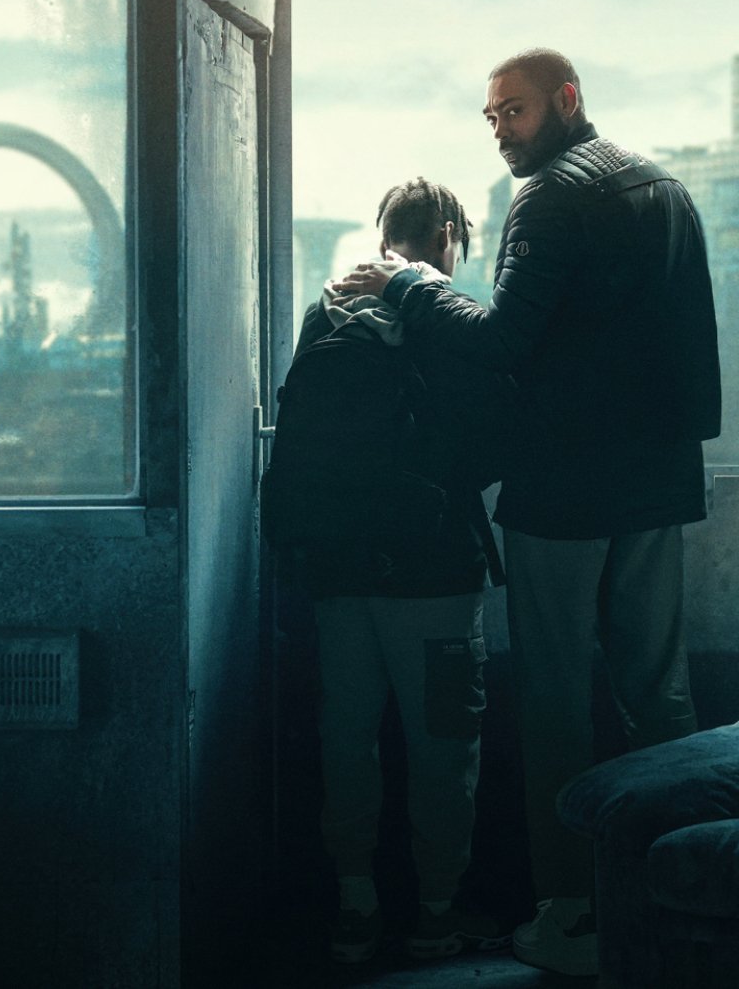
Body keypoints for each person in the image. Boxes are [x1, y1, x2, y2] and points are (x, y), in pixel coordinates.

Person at [331, 48, 722, 977]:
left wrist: (411, 285)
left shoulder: (547, 196)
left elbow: (504, 339)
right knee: (659, 693)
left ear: (568, 99)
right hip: (657, 480)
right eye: (490, 114)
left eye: (512, 109)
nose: (499, 126)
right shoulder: (666, 185)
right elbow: (689, 339)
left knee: (553, 701)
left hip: (564, 489)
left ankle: (574, 913)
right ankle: (681, 892)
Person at [277, 178, 513, 965]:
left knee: (347, 739)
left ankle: (354, 908)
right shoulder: (442, 314)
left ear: (384, 236)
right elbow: (489, 442)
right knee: (444, 744)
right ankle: (438, 913)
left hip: (339, 574)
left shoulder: (328, 308)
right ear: (448, 233)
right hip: (434, 578)